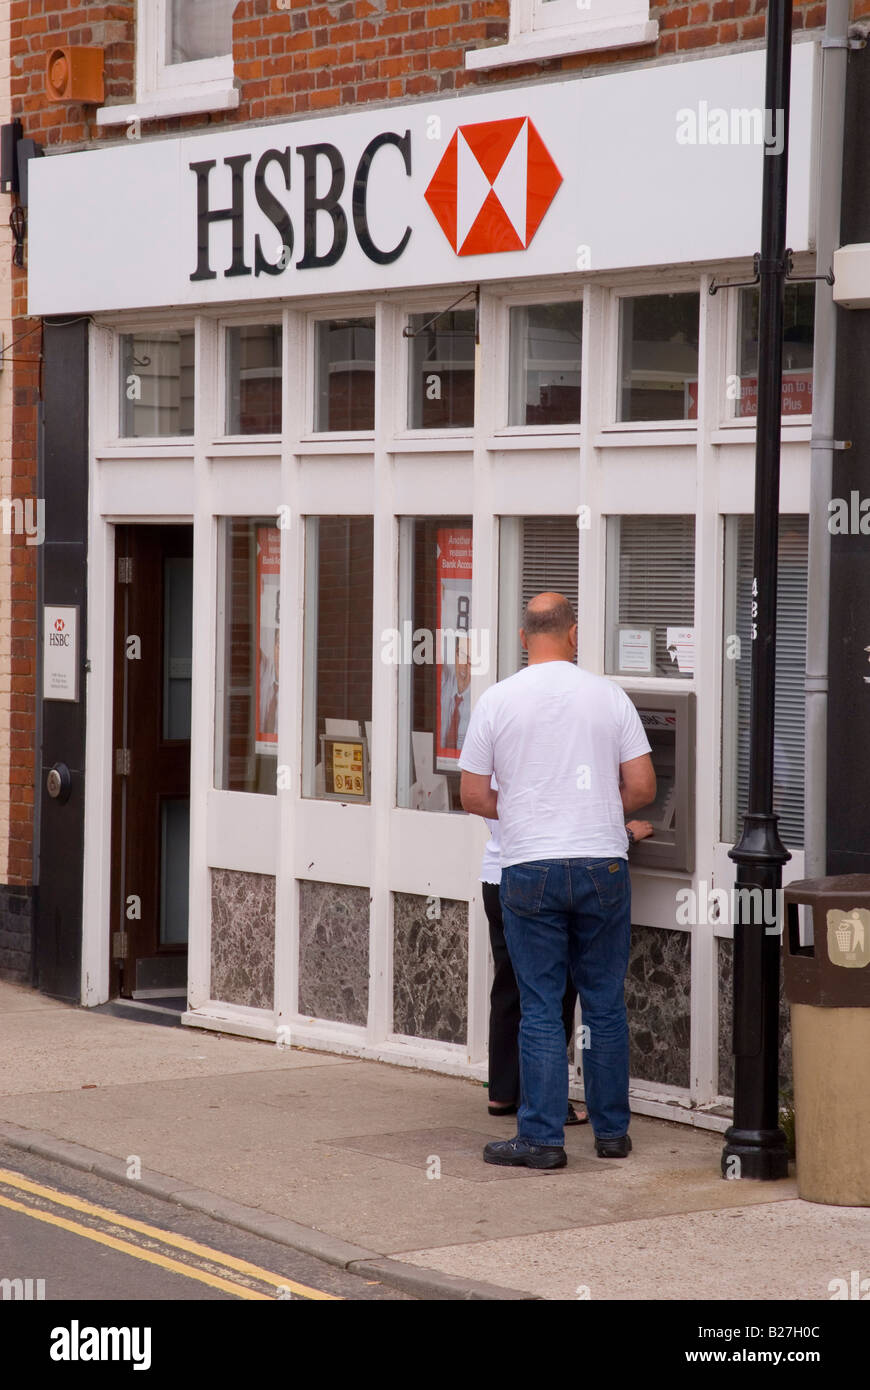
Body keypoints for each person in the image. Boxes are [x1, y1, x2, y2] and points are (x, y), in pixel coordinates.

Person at [460, 592, 656, 1170]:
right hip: (602, 863)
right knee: (604, 1003)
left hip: (529, 868)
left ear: (525, 638)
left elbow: (473, 795)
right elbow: (642, 787)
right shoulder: (608, 695)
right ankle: (613, 1135)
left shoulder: (498, 700)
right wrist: (595, 809)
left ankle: (542, 1140)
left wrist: (527, 809)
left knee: (541, 1006)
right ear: (574, 635)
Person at [482, 792, 655, 1125]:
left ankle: (503, 1092)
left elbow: (490, 803)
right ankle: (551, 1108)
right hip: (540, 876)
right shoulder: (550, 756)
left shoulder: (499, 746)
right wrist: (627, 834)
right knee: (552, 1000)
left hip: (497, 875)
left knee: (510, 989)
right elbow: (567, 822)